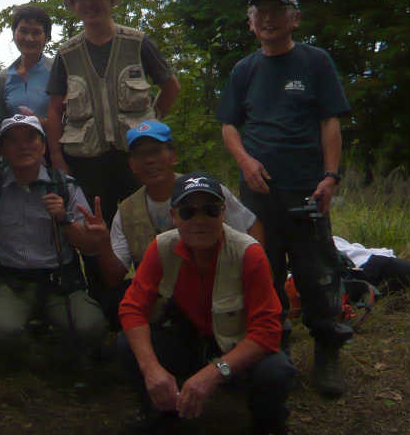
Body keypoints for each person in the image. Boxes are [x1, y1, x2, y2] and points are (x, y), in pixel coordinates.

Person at [216, 0, 353, 397]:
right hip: (256, 191)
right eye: (260, 12)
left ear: (295, 17)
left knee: (317, 271)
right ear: (251, 22)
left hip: (307, 188)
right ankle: (277, 348)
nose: (268, 18)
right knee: (263, 270)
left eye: (278, 10)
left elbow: (331, 121)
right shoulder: (245, 69)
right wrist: (244, 160)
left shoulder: (315, 61)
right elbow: (228, 125)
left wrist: (330, 177)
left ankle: (328, 349)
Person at [117, 173, 295, 435]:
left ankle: (268, 424)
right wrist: (151, 369)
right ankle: (160, 411)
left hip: (238, 347)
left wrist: (214, 373)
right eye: (188, 211)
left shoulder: (249, 253)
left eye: (210, 210)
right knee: (127, 343)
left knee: (276, 369)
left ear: (223, 212)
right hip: (191, 341)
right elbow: (132, 308)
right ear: (174, 216)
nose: (199, 220)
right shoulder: (161, 247)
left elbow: (267, 331)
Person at [45, 0, 181, 296]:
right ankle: (104, 303)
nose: (90, 2)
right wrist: (57, 158)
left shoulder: (137, 42)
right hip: (87, 162)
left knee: (150, 222)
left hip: (136, 158)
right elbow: (54, 109)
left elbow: (171, 87)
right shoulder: (66, 53)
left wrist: (149, 125)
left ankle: (161, 294)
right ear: (74, 4)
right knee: (95, 231)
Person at [81, 121, 264, 328]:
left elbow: (251, 225)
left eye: (157, 151)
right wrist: (103, 242)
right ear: (131, 164)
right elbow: (114, 278)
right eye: (140, 155)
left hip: (213, 283)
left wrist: (254, 275)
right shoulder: (127, 210)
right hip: (161, 290)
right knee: (111, 300)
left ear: (174, 156)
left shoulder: (206, 191)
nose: (149, 160)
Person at [0, 115, 105, 358]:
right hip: (12, 284)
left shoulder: (66, 186)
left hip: (60, 283)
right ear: (3, 150)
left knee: (91, 327)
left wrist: (65, 219)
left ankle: (48, 342)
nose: (23, 146)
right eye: (13, 141)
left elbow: (89, 247)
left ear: (43, 146)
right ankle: (37, 347)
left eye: (31, 138)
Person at [0, 5, 54, 127]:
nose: (29, 38)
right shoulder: (4, 77)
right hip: (13, 145)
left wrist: (42, 123)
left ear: (46, 37)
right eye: (23, 31)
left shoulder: (57, 70)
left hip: (52, 145)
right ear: (13, 33)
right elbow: (1, 121)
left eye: (36, 33)